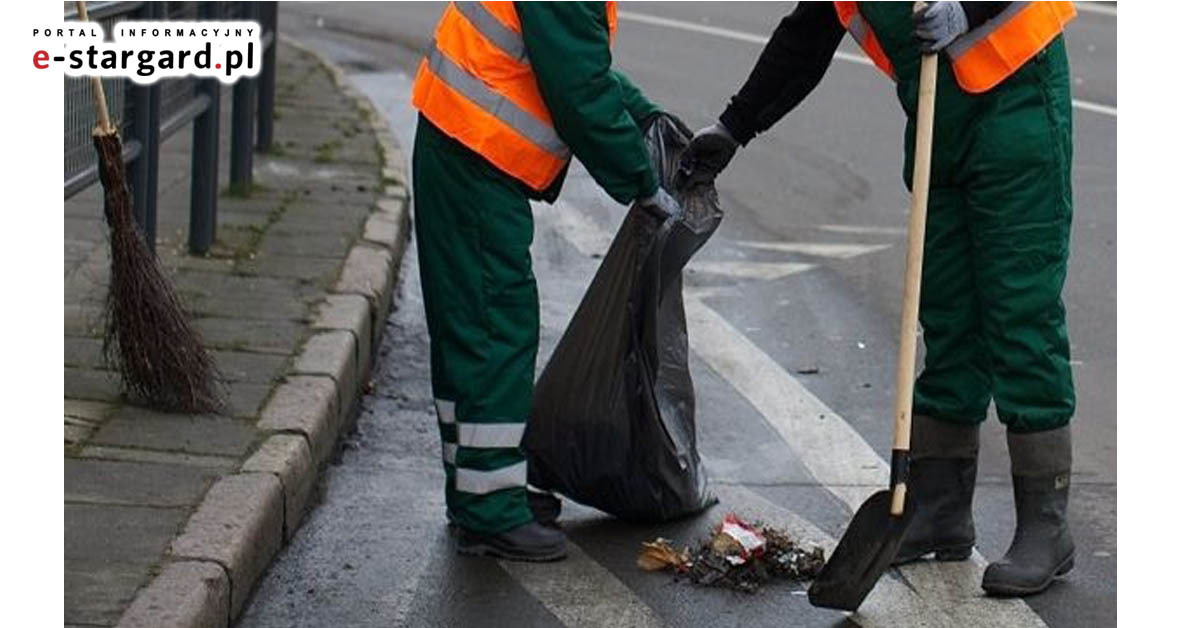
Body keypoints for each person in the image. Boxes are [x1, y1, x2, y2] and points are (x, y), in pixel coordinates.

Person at [678, 1, 1078, 596]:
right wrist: (734, 127)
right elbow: (808, 36)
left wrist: (969, 9)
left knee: (1020, 312)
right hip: (940, 117)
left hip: (1016, 101)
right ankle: (942, 507)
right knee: (946, 315)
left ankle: (1046, 524)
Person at [410, 1, 678, 562]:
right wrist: (641, 180)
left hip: (463, 144)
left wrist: (644, 113)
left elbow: (567, 61)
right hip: (475, 153)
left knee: (476, 327)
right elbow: (577, 89)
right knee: (492, 328)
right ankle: (488, 512)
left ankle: (485, 489)